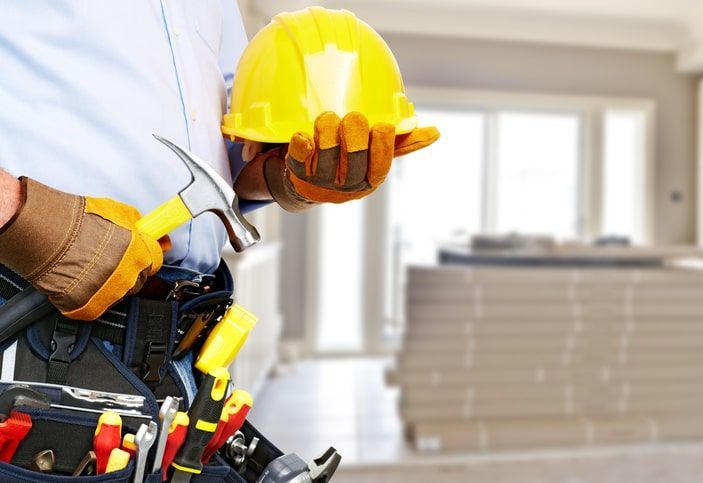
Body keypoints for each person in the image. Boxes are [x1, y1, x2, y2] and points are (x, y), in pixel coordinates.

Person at [0, 2, 436, 479]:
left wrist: (288, 176)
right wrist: (24, 214)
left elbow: (228, 148)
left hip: (180, 341)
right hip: (31, 308)